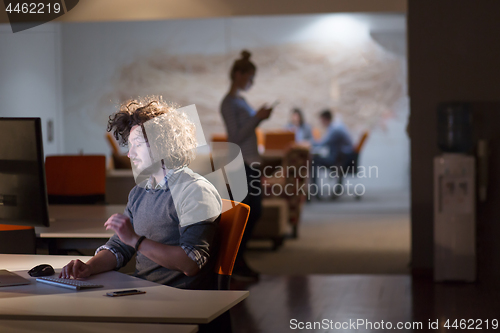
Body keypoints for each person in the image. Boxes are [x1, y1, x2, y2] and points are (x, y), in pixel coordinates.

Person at [60, 97, 222, 290]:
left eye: (137, 144)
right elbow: (120, 246)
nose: (130, 154)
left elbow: (190, 263)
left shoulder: (195, 191)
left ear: (162, 144)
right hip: (143, 292)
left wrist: (136, 240)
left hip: (176, 301)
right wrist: (89, 267)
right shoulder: (140, 191)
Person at [220, 50, 273, 281]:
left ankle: (237, 259)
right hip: (241, 163)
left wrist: (258, 118)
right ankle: (234, 260)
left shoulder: (240, 100)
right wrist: (258, 118)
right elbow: (234, 136)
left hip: (250, 161)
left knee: (253, 211)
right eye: (250, 77)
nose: (251, 82)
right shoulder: (229, 102)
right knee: (248, 212)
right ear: (238, 74)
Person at [311, 109, 354, 186]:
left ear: (325, 119)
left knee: (313, 160)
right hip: (342, 157)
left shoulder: (334, 129)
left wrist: (308, 143)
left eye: (321, 120)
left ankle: (314, 189)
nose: (321, 123)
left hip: (339, 160)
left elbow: (323, 143)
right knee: (316, 157)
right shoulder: (336, 126)